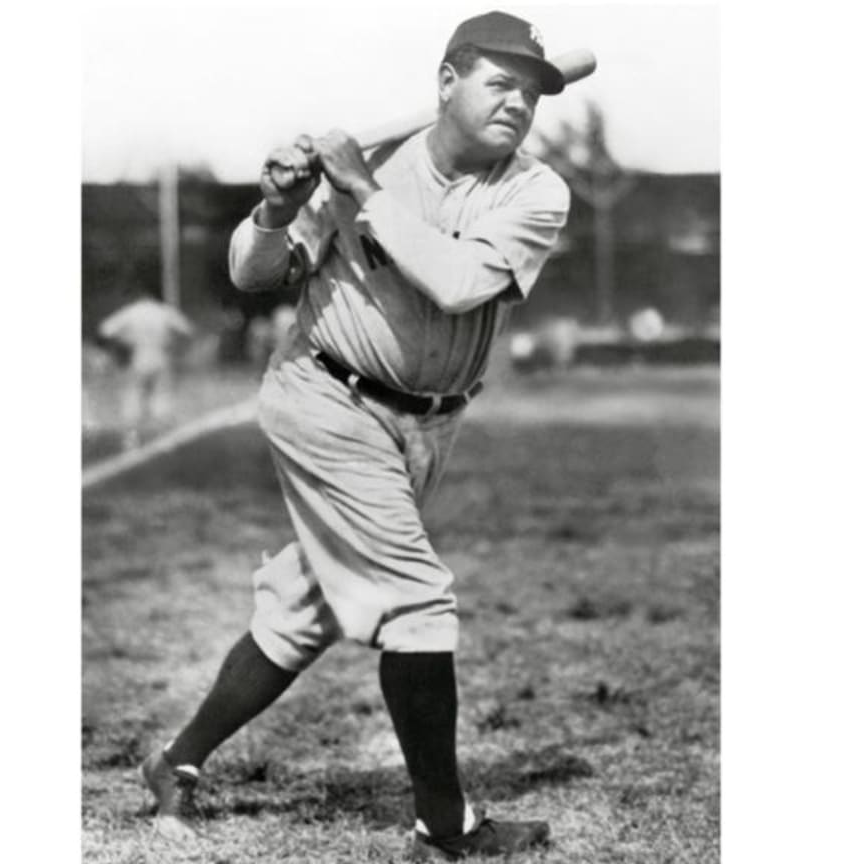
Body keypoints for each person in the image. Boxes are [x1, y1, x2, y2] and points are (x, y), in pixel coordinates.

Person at [140, 11, 571, 860]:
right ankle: (444, 829)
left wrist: (362, 197)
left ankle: (175, 763)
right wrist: (274, 209)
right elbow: (254, 277)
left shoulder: (535, 192)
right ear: (446, 82)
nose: (519, 102)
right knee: (415, 599)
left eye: (532, 91)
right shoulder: (367, 168)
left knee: (306, 609)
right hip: (325, 398)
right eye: (500, 81)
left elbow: (455, 283)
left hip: (429, 423)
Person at [97, 293, 194, 448]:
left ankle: (131, 437)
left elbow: (106, 329)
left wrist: (123, 340)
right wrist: (174, 344)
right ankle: (165, 436)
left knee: (134, 393)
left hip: (139, 356)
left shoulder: (132, 311)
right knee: (162, 394)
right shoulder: (163, 311)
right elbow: (187, 329)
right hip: (160, 356)